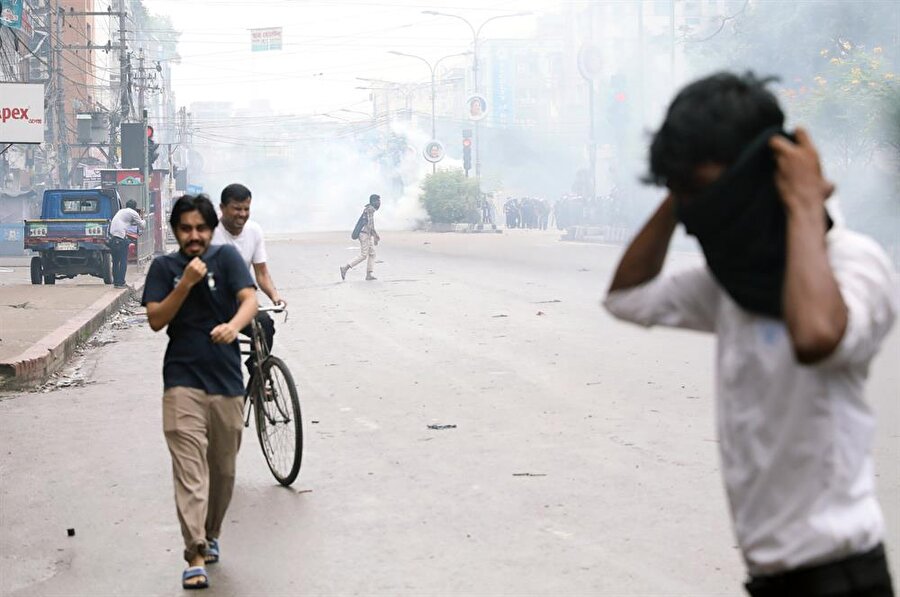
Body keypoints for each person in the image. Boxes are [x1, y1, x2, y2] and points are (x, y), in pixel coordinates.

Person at [603, 72, 897, 596]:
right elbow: (625, 297)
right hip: (769, 580)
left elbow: (815, 336)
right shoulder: (732, 282)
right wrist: (680, 189)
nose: (697, 211)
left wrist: (805, 205)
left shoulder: (855, 263)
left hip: (842, 579)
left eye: (704, 190)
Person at [141, 194, 258, 590]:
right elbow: (156, 319)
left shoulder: (227, 260)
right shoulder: (164, 267)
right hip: (181, 380)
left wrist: (234, 325)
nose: (194, 236)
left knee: (223, 471)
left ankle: (211, 534)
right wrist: (185, 283)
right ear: (176, 231)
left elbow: (249, 300)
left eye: (201, 228)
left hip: (226, 381)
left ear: (211, 229)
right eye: (186, 229)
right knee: (190, 473)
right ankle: (194, 554)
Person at [211, 183, 284, 360]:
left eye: (246, 209)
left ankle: (258, 373)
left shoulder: (254, 231)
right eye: (237, 209)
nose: (242, 214)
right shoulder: (209, 234)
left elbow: (261, 273)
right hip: (211, 304)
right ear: (222, 208)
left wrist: (275, 297)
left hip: (242, 303)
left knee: (265, 323)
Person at [341, 193, 381, 281]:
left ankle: (369, 274)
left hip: (367, 234)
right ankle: (345, 268)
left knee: (372, 254)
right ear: (373, 201)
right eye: (378, 200)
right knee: (364, 255)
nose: (379, 203)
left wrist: (374, 235)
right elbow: (370, 225)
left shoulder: (370, 209)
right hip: (364, 234)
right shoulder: (370, 209)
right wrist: (376, 236)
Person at [108, 198, 145, 288]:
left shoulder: (121, 211)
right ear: (134, 207)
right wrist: (143, 218)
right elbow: (142, 226)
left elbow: (127, 222)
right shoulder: (133, 213)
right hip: (121, 238)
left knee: (116, 262)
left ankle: (116, 282)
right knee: (124, 261)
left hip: (113, 238)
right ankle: (121, 282)